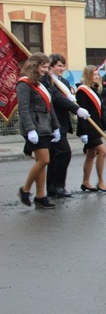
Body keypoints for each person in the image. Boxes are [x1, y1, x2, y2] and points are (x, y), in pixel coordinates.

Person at [16, 53, 61, 209]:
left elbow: (50, 107)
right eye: (44, 66)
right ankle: (25, 189)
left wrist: (56, 127)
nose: (45, 70)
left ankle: (40, 196)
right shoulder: (24, 84)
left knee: (41, 162)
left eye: (47, 67)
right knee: (44, 160)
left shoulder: (41, 84)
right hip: (34, 127)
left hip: (46, 126)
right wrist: (30, 130)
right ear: (35, 65)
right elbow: (24, 109)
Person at [44, 54, 91, 198]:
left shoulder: (63, 80)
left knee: (56, 156)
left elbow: (66, 97)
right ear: (51, 66)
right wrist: (76, 109)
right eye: (59, 66)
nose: (62, 69)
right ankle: (57, 186)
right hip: (52, 123)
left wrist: (71, 96)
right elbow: (56, 99)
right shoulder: (47, 80)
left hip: (62, 122)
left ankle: (53, 187)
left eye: (63, 66)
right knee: (64, 153)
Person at [76, 65, 106, 193]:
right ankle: (101, 181)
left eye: (97, 74)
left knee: (91, 154)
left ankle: (85, 182)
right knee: (103, 152)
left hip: (97, 127)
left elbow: (101, 111)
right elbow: (81, 113)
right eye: (94, 75)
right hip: (89, 128)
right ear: (87, 76)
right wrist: (83, 132)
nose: (96, 77)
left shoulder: (96, 89)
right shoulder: (82, 91)